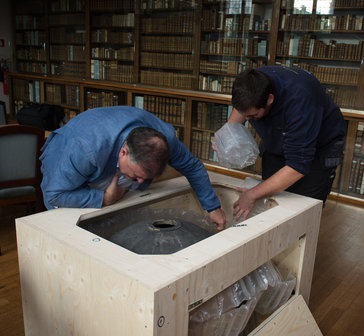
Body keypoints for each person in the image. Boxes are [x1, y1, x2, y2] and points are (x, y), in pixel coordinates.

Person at [40, 106, 226, 230]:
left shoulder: (164, 141)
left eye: (146, 177)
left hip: (105, 155)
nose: (140, 182)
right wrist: (103, 198)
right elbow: (55, 195)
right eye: (137, 175)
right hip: (68, 154)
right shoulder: (84, 149)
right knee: (74, 229)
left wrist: (213, 207)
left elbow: (193, 167)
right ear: (123, 153)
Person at [227, 66, 347, 221]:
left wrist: (251, 194)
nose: (247, 119)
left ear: (269, 99)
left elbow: (298, 166)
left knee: (300, 214)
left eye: (253, 115)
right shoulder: (252, 83)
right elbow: (242, 108)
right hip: (278, 140)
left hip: (319, 149)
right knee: (272, 206)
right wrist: (228, 135)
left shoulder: (301, 101)